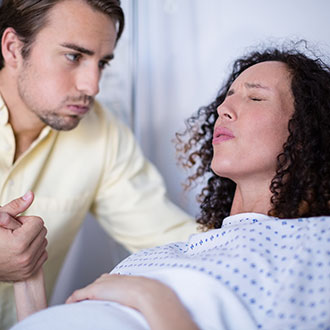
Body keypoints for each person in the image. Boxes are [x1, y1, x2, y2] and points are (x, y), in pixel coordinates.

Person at [11, 44, 330, 329]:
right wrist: (27, 277)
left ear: (306, 133)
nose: (222, 109)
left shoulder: (316, 242)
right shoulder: (173, 250)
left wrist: (153, 299)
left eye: (256, 97)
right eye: (226, 98)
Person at [0, 0, 197, 328]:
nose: (92, 86)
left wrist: (277, 239)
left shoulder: (103, 134)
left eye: (102, 62)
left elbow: (175, 240)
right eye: (73, 57)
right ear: (13, 48)